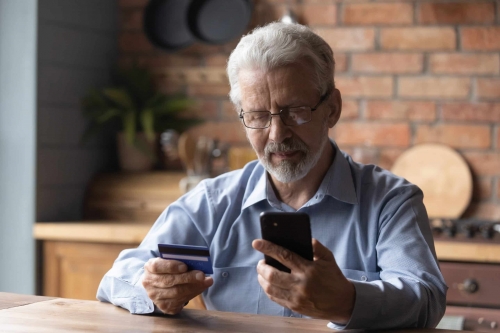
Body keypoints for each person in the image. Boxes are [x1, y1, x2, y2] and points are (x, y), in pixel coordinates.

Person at [97, 22, 447, 329]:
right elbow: (117, 278)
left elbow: (427, 298)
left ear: (332, 109)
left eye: (295, 112)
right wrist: (152, 288)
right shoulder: (212, 203)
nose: (277, 134)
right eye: (258, 115)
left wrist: (349, 300)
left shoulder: (390, 201)